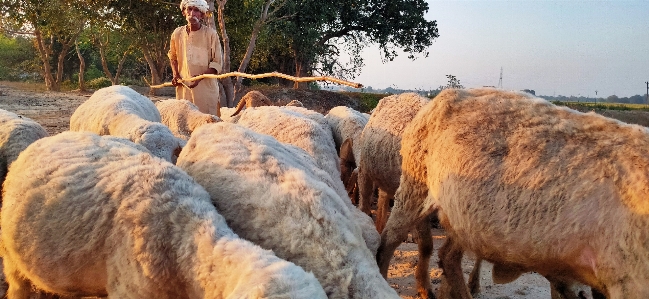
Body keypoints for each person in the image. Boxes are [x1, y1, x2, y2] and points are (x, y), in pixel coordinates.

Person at [168, 0, 223, 116]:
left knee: (208, 124)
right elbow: (173, 57)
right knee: (185, 123)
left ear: (202, 15)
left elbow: (217, 62)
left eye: (197, 10)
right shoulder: (176, 34)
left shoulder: (211, 34)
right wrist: (175, 75)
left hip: (206, 91)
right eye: (189, 9)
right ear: (184, 12)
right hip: (184, 89)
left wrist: (199, 77)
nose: (192, 13)